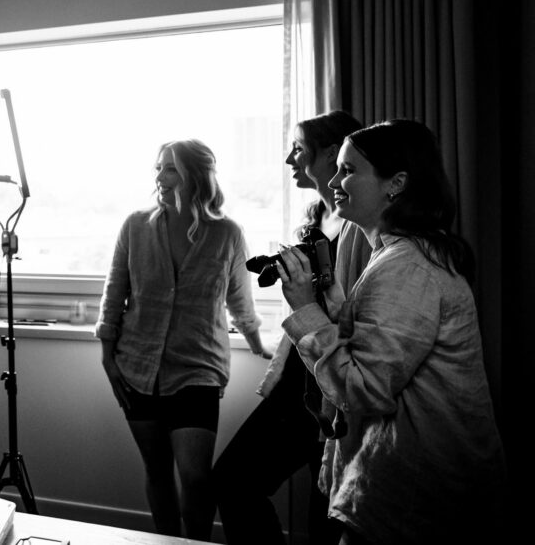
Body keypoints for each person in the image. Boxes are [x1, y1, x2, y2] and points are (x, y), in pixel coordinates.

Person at [276, 119, 507, 544]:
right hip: (407, 490)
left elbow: (363, 389)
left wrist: (305, 311)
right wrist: (326, 301)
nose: (335, 180)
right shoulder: (397, 257)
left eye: (348, 170)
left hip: (416, 502)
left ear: (395, 184)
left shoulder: (407, 268)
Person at [95, 138, 266, 541]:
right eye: (157, 167)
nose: (159, 176)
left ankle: (196, 544)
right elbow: (113, 292)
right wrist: (107, 358)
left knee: (195, 475)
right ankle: (167, 542)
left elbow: (240, 299)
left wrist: (259, 344)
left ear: (194, 174)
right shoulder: (135, 226)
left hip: (198, 370)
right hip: (136, 368)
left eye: (169, 168)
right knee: (157, 470)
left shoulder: (227, 234)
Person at [214, 109, 370, 545]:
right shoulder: (316, 213)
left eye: (298, 149)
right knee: (233, 480)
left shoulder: (360, 226)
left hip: (336, 376)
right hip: (300, 378)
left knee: (327, 510)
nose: (289, 160)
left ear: (329, 153)